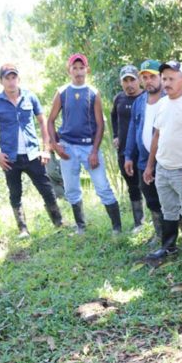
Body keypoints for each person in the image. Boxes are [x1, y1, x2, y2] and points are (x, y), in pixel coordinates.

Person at [0, 63, 64, 239]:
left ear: (18, 79)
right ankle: (23, 229)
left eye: (14, 78)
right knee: (15, 193)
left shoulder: (30, 97)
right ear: (1, 81)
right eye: (7, 78)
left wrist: (45, 149)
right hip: (9, 157)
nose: (11, 82)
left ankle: (58, 222)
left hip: (33, 153)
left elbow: (42, 122)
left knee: (46, 188)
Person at [47, 53, 122, 234]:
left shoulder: (93, 93)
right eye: (75, 68)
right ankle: (81, 226)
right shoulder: (62, 92)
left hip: (89, 147)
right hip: (68, 147)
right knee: (71, 189)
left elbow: (100, 124)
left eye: (82, 68)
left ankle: (117, 228)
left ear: (87, 69)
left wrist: (95, 151)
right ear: (69, 70)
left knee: (102, 187)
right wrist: (56, 145)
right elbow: (50, 121)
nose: (79, 72)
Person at [143, 61, 182, 267]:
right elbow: (156, 136)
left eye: (171, 78)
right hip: (163, 168)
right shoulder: (161, 104)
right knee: (167, 210)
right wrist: (150, 166)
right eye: (165, 78)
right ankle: (169, 246)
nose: (167, 83)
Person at [124, 60, 166, 243]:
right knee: (151, 199)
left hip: (167, 160)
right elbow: (133, 129)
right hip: (143, 160)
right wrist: (128, 155)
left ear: (161, 78)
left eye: (153, 77)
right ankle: (160, 234)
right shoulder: (140, 102)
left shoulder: (169, 98)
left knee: (173, 200)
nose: (149, 81)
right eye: (145, 77)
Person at [111, 64, 146, 233]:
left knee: (149, 186)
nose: (129, 84)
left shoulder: (147, 97)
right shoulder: (119, 98)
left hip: (144, 152)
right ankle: (139, 222)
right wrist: (115, 136)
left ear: (138, 80)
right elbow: (113, 117)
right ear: (121, 82)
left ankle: (158, 221)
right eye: (125, 80)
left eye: (132, 79)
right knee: (132, 186)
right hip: (124, 152)